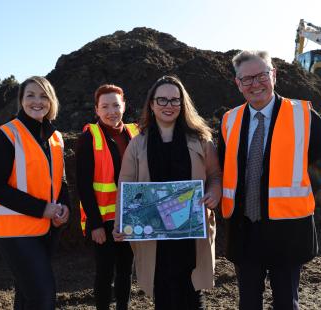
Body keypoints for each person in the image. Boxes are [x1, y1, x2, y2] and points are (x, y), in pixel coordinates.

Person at [218, 50, 321, 310]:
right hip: (244, 230)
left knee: (287, 302)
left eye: (261, 75)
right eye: (247, 79)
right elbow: (222, 167)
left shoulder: (304, 115)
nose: (255, 84)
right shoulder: (229, 120)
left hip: (287, 229)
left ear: (274, 75)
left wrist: (312, 196)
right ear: (238, 84)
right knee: (248, 302)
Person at [113, 75, 222, 310]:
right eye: (162, 100)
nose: (168, 105)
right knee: (163, 294)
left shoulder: (201, 139)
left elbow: (215, 176)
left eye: (175, 100)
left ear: (183, 105)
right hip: (155, 234)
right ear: (151, 105)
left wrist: (214, 193)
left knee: (192, 294)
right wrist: (120, 221)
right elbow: (126, 185)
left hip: (191, 234)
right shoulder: (138, 143)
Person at [0, 76, 70, 309]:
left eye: (43, 96)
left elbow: (60, 179)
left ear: (51, 101)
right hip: (15, 232)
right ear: (21, 100)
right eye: (30, 95)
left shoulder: (56, 138)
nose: (37, 101)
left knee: (27, 295)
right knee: (43, 296)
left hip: (46, 229)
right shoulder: (5, 136)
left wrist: (65, 206)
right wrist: (42, 208)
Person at [75, 84, 139, 310]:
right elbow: (83, 186)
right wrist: (95, 224)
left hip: (131, 217)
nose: (111, 111)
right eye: (105, 106)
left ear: (124, 106)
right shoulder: (89, 138)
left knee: (125, 271)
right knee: (104, 273)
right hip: (103, 221)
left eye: (116, 105)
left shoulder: (136, 133)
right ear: (97, 110)